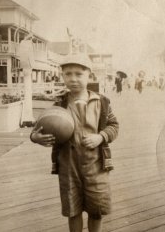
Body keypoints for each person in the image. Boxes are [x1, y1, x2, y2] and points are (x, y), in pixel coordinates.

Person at [30, 54, 119, 232]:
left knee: (96, 210)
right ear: (62, 76)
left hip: (96, 166)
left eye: (79, 74)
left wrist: (100, 137)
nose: (73, 79)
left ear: (89, 75)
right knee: (73, 210)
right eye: (68, 74)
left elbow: (114, 126)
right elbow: (36, 130)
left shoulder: (102, 103)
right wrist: (36, 138)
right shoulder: (59, 104)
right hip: (68, 166)